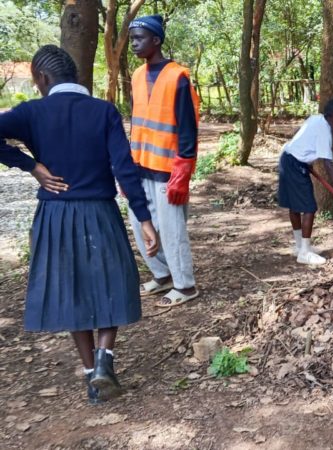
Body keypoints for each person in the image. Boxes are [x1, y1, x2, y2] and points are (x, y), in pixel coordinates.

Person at [0, 45, 159, 404]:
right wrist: (145, 219)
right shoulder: (102, 111)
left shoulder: (32, 112)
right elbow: (124, 168)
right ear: (75, 75)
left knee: (71, 290)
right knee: (111, 283)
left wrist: (30, 166)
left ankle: (91, 375)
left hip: (56, 216)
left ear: (41, 78)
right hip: (99, 212)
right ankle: (105, 361)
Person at [127, 15, 201, 308]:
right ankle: (162, 275)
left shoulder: (177, 77)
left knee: (172, 232)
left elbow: (187, 127)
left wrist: (183, 170)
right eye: (132, 38)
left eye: (139, 38)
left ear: (156, 40)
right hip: (139, 165)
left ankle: (185, 285)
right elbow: (136, 122)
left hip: (168, 169)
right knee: (139, 225)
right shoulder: (135, 76)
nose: (133, 43)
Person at [278, 99, 333, 266]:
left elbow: (299, 133)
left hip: (287, 158)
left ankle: (300, 247)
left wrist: (305, 157)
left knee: (294, 207)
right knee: (309, 208)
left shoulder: (315, 118)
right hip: (294, 165)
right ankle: (304, 252)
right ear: (329, 117)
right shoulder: (325, 131)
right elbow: (328, 165)